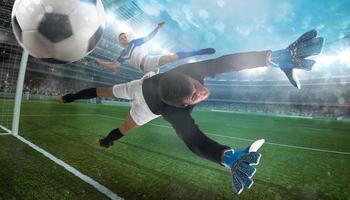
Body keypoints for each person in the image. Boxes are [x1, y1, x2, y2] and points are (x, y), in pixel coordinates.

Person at [61, 29, 324, 194]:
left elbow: (226, 62)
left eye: (197, 86)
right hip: (141, 97)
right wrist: (227, 158)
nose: (202, 91)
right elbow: (194, 142)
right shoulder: (174, 113)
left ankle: (99, 130)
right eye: (196, 96)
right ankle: (82, 109)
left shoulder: (189, 74)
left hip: (145, 88)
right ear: (184, 106)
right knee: (113, 110)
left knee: (114, 111)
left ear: (190, 78)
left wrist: (270, 57)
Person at [95, 21, 216, 73]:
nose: (124, 38)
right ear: (120, 42)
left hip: (150, 60)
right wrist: (101, 63)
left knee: (171, 57)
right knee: (151, 88)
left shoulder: (134, 43)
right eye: (121, 38)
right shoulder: (122, 54)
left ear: (127, 38)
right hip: (145, 70)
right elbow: (114, 65)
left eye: (125, 36)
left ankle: (197, 52)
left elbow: (148, 38)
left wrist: (157, 28)